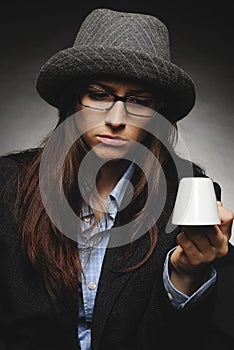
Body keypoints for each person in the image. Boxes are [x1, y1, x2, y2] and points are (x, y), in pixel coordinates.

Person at [0, 7, 234, 350]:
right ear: (72, 102)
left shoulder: (185, 194)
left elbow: (196, 337)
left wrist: (185, 276)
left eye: (140, 101)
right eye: (98, 94)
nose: (116, 117)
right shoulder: (8, 186)